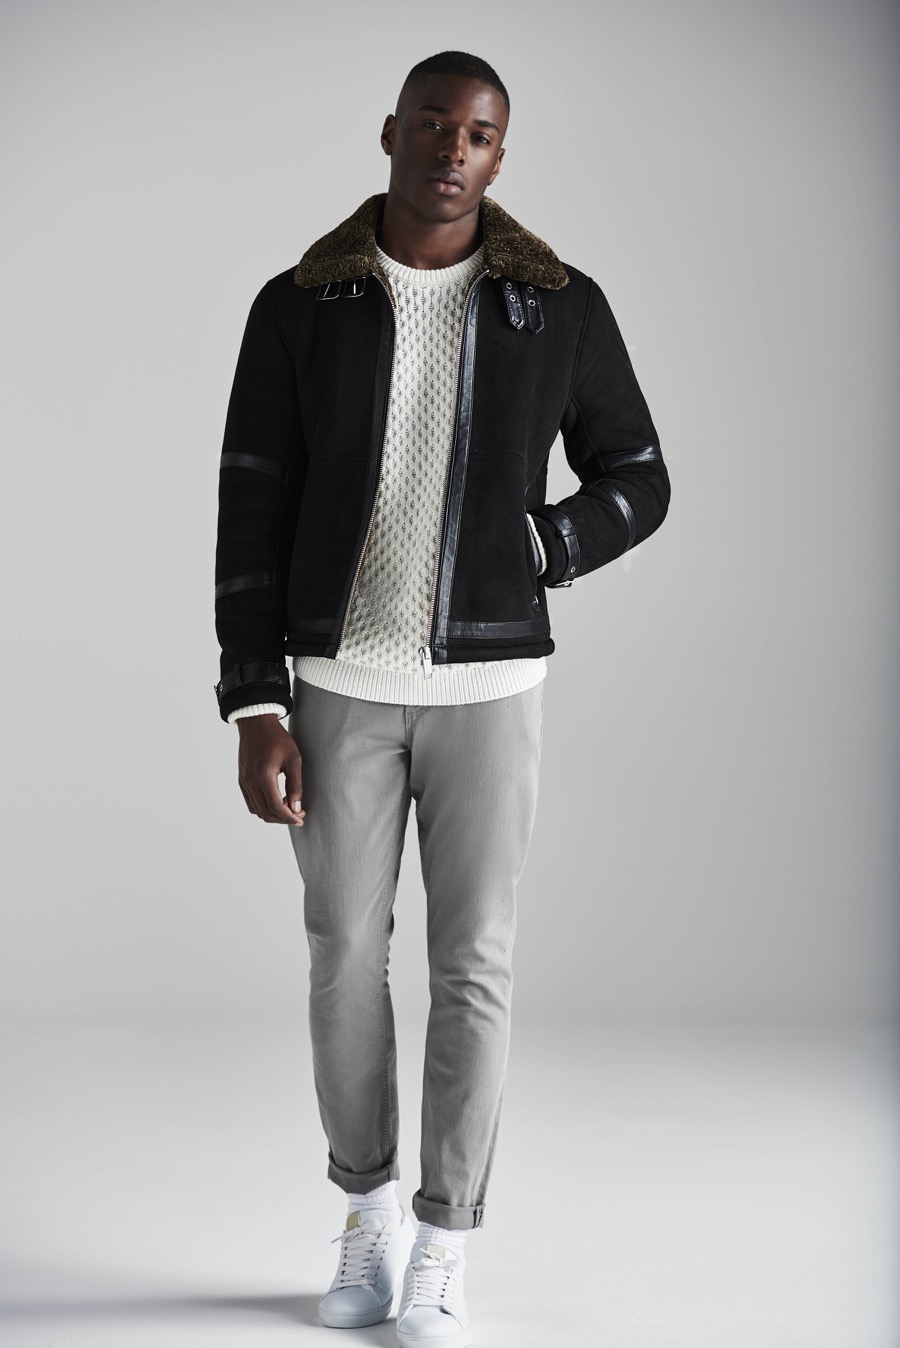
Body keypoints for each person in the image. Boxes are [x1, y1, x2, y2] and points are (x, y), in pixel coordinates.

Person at [213, 49, 670, 1346]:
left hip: (493, 687)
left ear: (499, 155)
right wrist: (254, 702)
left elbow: (640, 473)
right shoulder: (301, 304)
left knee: (473, 963)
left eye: (477, 134)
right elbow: (252, 501)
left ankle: (447, 1239)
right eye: (432, 125)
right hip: (335, 688)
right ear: (391, 131)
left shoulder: (556, 307)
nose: (452, 150)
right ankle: (365, 1211)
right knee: (343, 957)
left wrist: (542, 544)